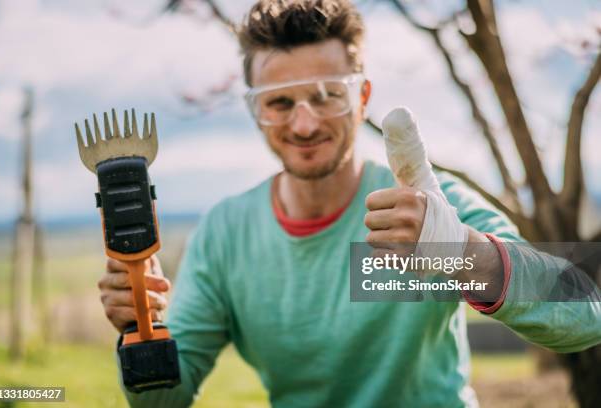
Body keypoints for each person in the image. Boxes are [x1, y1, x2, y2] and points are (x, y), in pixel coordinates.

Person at [97, 1, 601, 406]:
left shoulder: (427, 205)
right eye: (279, 103)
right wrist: (140, 331)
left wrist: (460, 252)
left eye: (326, 96)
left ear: (361, 99)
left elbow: (584, 315)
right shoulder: (226, 234)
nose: (304, 124)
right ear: (255, 110)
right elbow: (163, 401)